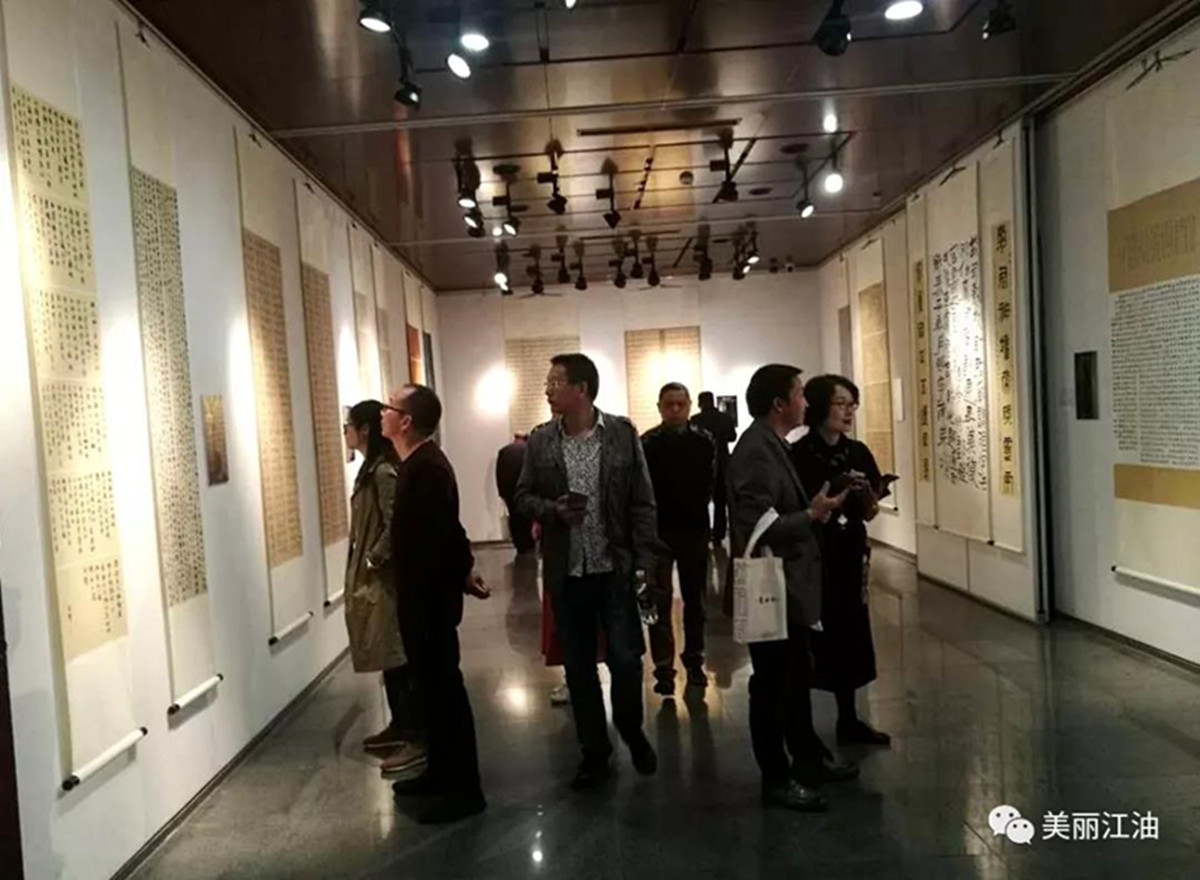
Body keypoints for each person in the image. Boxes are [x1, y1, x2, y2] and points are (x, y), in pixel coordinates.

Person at [514, 353, 659, 789]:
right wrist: (552, 510)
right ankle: (594, 752)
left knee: (626, 659)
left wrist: (644, 560)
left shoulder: (620, 434)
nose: (547, 389)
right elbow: (522, 497)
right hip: (568, 572)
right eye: (548, 382)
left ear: (582, 389)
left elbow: (642, 501)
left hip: (613, 567)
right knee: (578, 669)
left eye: (555, 382)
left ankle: (630, 728)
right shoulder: (541, 441)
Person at [727, 364, 855, 813]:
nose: (806, 401)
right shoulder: (755, 451)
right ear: (779, 403)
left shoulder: (772, 444)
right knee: (772, 685)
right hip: (772, 586)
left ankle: (808, 760)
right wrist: (812, 515)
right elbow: (756, 525)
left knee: (794, 678)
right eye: (799, 393)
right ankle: (776, 778)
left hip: (789, 587)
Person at [383, 384, 490, 824]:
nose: (383, 414)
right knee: (431, 692)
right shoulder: (418, 464)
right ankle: (440, 773)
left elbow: (443, 534)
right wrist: (465, 569)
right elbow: (451, 529)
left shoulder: (426, 468)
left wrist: (460, 572)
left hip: (429, 604)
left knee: (444, 693)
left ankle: (464, 788)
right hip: (422, 600)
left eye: (389, 407)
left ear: (406, 420)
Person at [790, 375, 891, 747]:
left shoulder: (857, 451)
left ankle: (848, 718)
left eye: (852, 404)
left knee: (850, 631)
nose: (848, 412)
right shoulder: (799, 454)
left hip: (849, 553)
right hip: (814, 554)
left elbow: (870, 512)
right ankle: (803, 731)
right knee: (813, 635)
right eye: (841, 404)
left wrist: (866, 494)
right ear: (820, 406)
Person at [343, 401, 426, 778]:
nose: (345, 432)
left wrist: (375, 558)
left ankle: (414, 733)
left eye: (349, 425)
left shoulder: (382, 472)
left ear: (364, 430)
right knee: (387, 654)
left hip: (387, 580)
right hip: (375, 576)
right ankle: (400, 725)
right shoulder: (372, 469)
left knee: (396, 654)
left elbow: (396, 521)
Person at [641, 382, 715, 695]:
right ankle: (663, 669)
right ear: (659, 407)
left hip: (694, 530)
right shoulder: (647, 443)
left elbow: (712, 483)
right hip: (659, 533)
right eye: (669, 404)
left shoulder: (704, 441)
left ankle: (695, 661)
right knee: (658, 602)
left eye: (680, 404)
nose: (674, 410)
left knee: (695, 601)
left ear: (688, 406)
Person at [691, 391, 736, 544]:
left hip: (701, 464)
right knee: (721, 499)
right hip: (723, 462)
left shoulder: (696, 420)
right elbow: (732, 437)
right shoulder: (724, 418)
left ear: (700, 403)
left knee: (701, 500)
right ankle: (719, 533)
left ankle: (703, 533)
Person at [496, 434, 535, 554]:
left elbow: (499, 472)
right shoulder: (529, 450)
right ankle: (529, 544)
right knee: (527, 517)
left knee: (513, 516)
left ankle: (519, 544)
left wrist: (501, 491)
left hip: (509, 490)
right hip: (524, 490)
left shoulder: (504, 451)